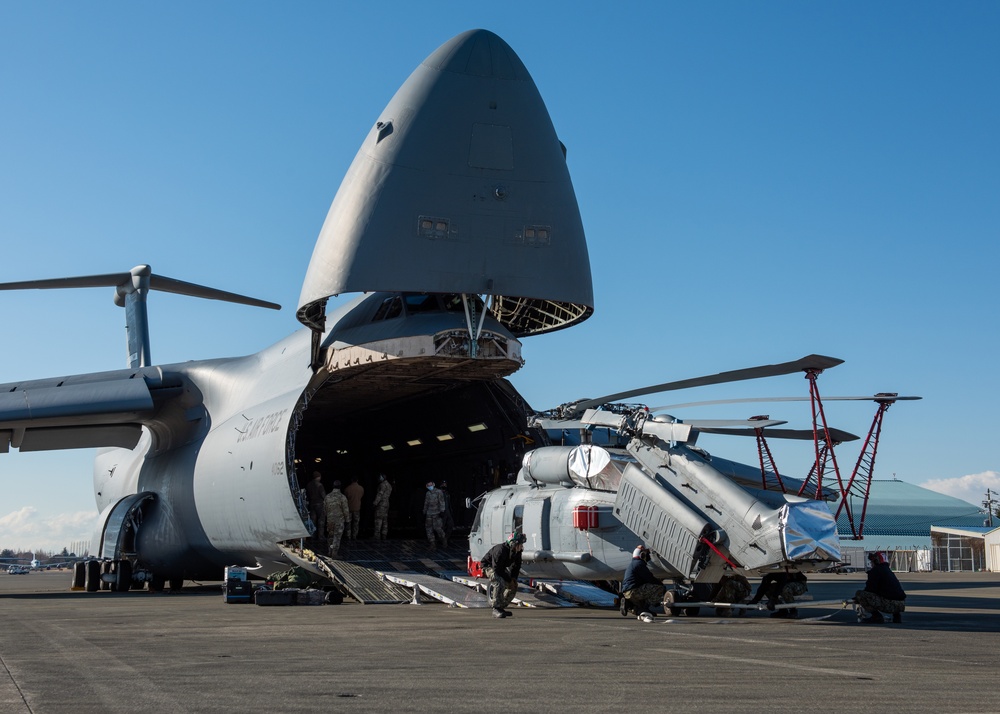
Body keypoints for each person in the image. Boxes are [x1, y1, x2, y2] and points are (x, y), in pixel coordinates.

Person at [481, 533, 526, 618]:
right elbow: (497, 569)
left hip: (500, 567)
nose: (521, 547)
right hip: (489, 566)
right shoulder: (500, 550)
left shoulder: (517, 552)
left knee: (513, 586)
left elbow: (516, 566)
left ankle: (501, 606)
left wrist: (513, 579)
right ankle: (495, 608)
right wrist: (508, 579)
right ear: (513, 544)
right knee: (499, 582)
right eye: (519, 544)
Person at [854, 552, 906, 624]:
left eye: (872, 561)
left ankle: (876, 616)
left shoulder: (875, 571)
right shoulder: (888, 571)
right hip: (900, 605)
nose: (871, 564)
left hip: (889, 605)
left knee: (860, 594)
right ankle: (897, 616)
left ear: (876, 561)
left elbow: (870, 590)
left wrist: (857, 598)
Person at [621, 545, 666, 617]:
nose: (649, 556)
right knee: (659, 588)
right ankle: (644, 608)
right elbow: (649, 578)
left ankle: (629, 605)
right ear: (642, 555)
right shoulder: (639, 564)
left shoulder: (633, 564)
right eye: (647, 554)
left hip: (627, 592)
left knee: (645, 593)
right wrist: (661, 585)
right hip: (633, 592)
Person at [324, 480, 350, 557]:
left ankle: (330, 551)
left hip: (330, 521)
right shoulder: (342, 497)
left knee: (330, 537)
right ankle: (334, 554)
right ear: (340, 487)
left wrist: (328, 517)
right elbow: (346, 510)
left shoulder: (327, 496)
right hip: (339, 521)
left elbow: (324, 509)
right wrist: (347, 521)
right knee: (337, 537)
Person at [422, 481, 448, 548]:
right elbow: (426, 503)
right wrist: (424, 511)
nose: (429, 486)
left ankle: (444, 539)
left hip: (437, 513)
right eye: (428, 485)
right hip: (429, 513)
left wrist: (442, 511)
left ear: (433, 484)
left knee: (438, 528)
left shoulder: (439, 492)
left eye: (430, 484)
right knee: (429, 529)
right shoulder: (428, 493)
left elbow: (442, 502)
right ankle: (432, 543)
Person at [305, 472, 327, 543]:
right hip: (320, 505)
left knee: (313, 521)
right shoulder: (320, 485)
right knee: (321, 521)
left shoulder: (308, 485)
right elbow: (323, 495)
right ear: (318, 477)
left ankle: (312, 536)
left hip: (312, 504)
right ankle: (321, 536)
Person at [372, 474, 392, 541]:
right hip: (387, 504)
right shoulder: (389, 485)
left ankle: (377, 536)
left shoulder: (382, 485)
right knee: (385, 520)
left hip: (381, 504)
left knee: (378, 519)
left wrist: (375, 503)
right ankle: (384, 535)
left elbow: (379, 495)